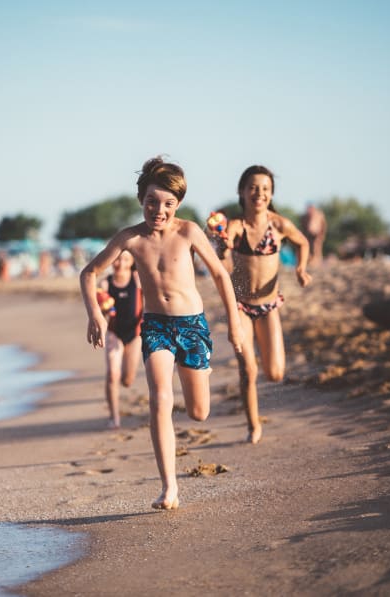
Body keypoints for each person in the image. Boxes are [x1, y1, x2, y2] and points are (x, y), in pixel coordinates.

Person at [80, 156, 244, 510]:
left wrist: (234, 323)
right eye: (152, 201)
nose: (159, 209)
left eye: (168, 203)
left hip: (192, 325)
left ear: (178, 204)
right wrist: (95, 313)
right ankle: (169, 487)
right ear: (141, 199)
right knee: (160, 399)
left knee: (199, 413)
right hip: (155, 327)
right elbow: (89, 273)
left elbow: (219, 275)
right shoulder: (130, 239)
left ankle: (201, 374)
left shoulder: (188, 232)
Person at [211, 165, 311, 444]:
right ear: (242, 192)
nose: (259, 193)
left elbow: (302, 242)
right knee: (248, 370)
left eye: (265, 188)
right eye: (253, 187)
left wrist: (301, 269)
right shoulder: (236, 225)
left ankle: (257, 413)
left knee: (275, 373)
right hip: (241, 305)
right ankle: (253, 425)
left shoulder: (279, 225)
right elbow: (223, 251)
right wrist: (221, 244)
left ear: (271, 194)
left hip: (268, 306)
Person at [98, 249, 143, 429]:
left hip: (135, 333)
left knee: (127, 380)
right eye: (117, 259)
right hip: (114, 332)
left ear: (132, 261)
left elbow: (148, 303)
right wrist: (104, 307)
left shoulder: (138, 278)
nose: (120, 263)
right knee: (112, 375)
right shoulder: (105, 283)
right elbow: (100, 312)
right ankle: (114, 417)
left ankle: (126, 379)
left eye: (125, 259)